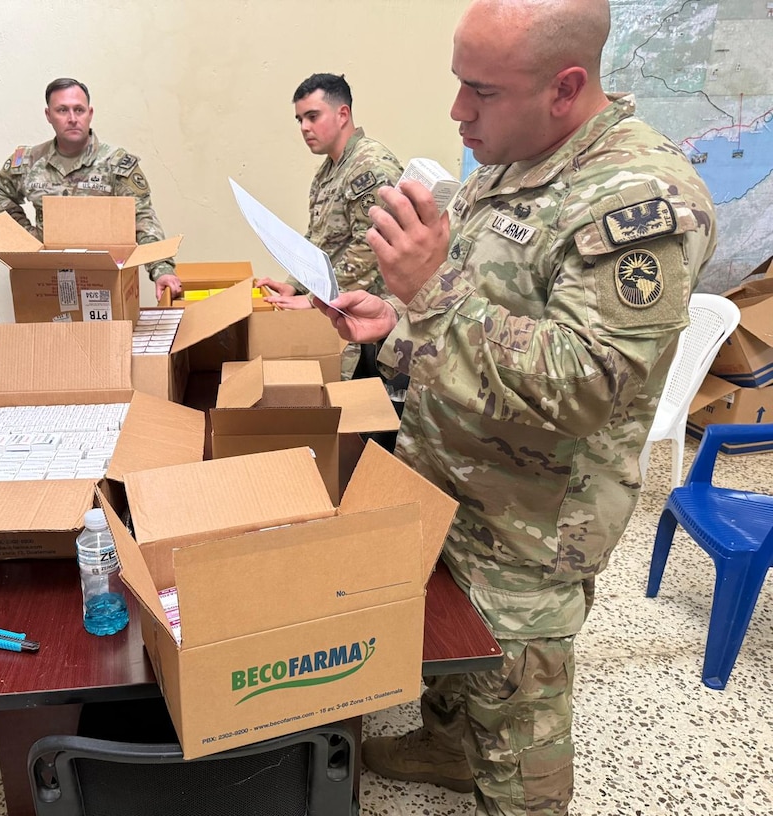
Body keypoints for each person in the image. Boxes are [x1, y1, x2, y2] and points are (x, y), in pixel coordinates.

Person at [314, 1, 717, 814]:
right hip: (453, 478)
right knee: (449, 655)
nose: (458, 111)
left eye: (480, 91)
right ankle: (444, 746)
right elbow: (479, 314)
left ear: (565, 87)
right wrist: (396, 323)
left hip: (533, 519)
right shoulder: (511, 154)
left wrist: (430, 291)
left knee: (517, 703)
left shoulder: (637, 200)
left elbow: (585, 384)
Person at [256, 73, 406, 445]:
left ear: (342, 114)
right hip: (347, 318)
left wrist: (310, 300)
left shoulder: (369, 165)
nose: (305, 128)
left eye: (312, 116)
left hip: (378, 326)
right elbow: (318, 242)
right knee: (348, 428)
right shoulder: (329, 171)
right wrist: (292, 283)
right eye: (300, 120)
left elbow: (371, 246)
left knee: (373, 436)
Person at [0, 77, 182, 300]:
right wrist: (27, 239)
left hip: (105, 281)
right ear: (48, 115)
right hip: (46, 281)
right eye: (62, 110)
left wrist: (162, 270)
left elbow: (142, 217)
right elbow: (0, 189)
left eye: (78, 110)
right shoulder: (30, 161)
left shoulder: (115, 164)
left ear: (90, 113)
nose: (72, 119)